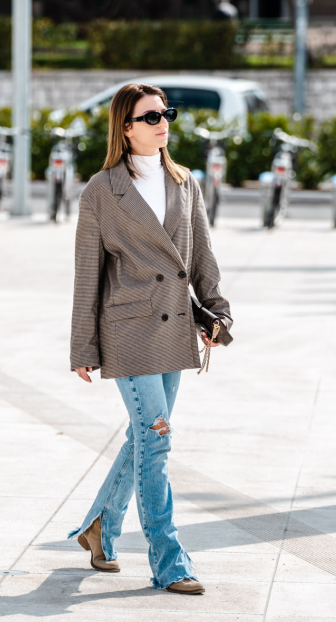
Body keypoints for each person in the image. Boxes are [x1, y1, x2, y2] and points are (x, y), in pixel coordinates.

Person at [68, 83, 232, 595]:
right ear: (126, 126)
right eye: (152, 115)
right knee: (156, 442)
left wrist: (219, 310)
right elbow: (87, 274)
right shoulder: (101, 190)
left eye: (167, 114)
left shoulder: (185, 182)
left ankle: (99, 527)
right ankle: (169, 559)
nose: (164, 122)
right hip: (129, 332)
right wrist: (82, 347)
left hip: (175, 327)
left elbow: (201, 252)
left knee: (145, 437)